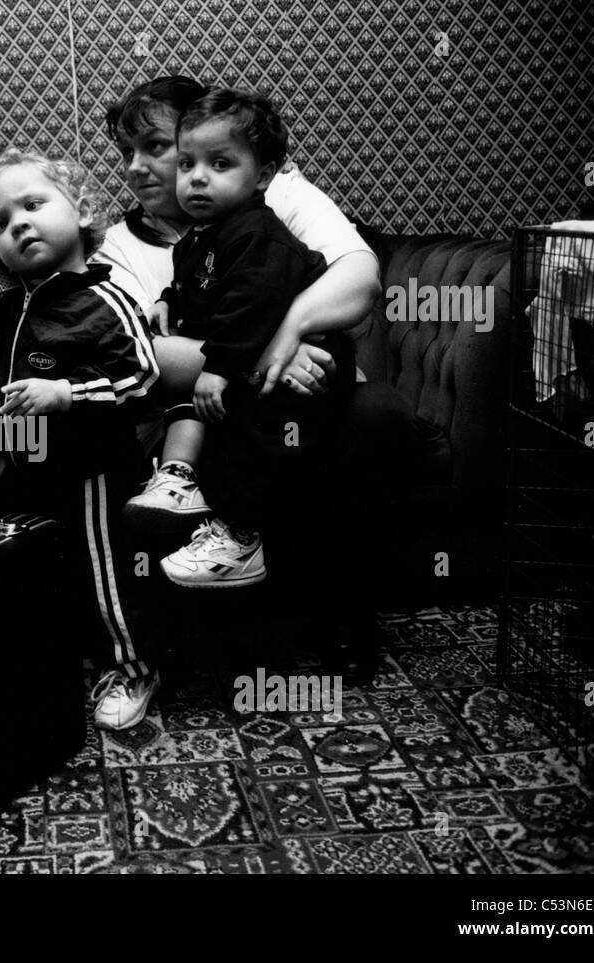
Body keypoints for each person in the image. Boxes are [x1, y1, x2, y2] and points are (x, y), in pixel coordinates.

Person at [93, 76, 447, 673]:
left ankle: (337, 616)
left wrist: (287, 330)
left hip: (303, 399)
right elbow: (144, 354)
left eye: (154, 146)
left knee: (372, 412)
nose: (136, 167)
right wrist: (262, 355)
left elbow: (359, 278)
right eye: (129, 153)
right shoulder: (114, 247)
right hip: (205, 412)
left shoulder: (275, 202)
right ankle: (239, 627)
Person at [0, 149, 162, 730]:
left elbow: (141, 376)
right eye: (0, 224)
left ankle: (134, 668)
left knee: (103, 570)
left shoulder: (105, 297)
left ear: (83, 210)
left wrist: (67, 394)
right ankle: (76, 657)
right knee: (55, 568)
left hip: (93, 469)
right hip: (31, 467)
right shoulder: (8, 303)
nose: (18, 224)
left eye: (34, 205)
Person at [134, 87, 355, 588]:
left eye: (219, 163)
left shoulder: (256, 231)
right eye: (187, 164)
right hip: (256, 352)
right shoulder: (201, 234)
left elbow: (249, 304)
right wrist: (168, 299)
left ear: (261, 175)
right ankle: (183, 482)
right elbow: (195, 287)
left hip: (314, 359)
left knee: (252, 427)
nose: (197, 178)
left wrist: (217, 368)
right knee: (195, 404)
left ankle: (242, 536)